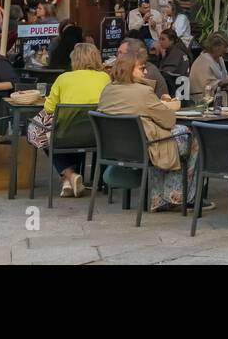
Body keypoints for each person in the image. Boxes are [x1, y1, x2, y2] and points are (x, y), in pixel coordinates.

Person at [97, 49, 203, 212]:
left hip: (118, 148)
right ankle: (178, 196)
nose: (146, 71)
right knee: (190, 137)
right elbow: (168, 121)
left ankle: (160, 197)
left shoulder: (107, 90)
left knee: (171, 137)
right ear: (129, 69)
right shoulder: (143, 92)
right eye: (141, 68)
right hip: (146, 146)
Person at [41, 42, 110, 198]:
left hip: (66, 135)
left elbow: (49, 109)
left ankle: (69, 175)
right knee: (77, 128)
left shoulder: (63, 78)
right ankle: (70, 179)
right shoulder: (105, 78)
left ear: (74, 60)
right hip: (97, 135)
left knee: (37, 132)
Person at [189, 33, 228, 107]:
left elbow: (224, 79)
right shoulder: (203, 61)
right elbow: (208, 86)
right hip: (200, 102)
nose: (227, 50)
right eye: (225, 47)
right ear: (215, 46)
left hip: (217, 100)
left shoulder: (220, 59)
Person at [154, 27, 191, 92]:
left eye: (163, 39)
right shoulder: (174, 50)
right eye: (160, 39)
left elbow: (167, 72)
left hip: (176, 88)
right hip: (177, 85)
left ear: (171, 41)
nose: (160, 42)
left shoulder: (176, 53)